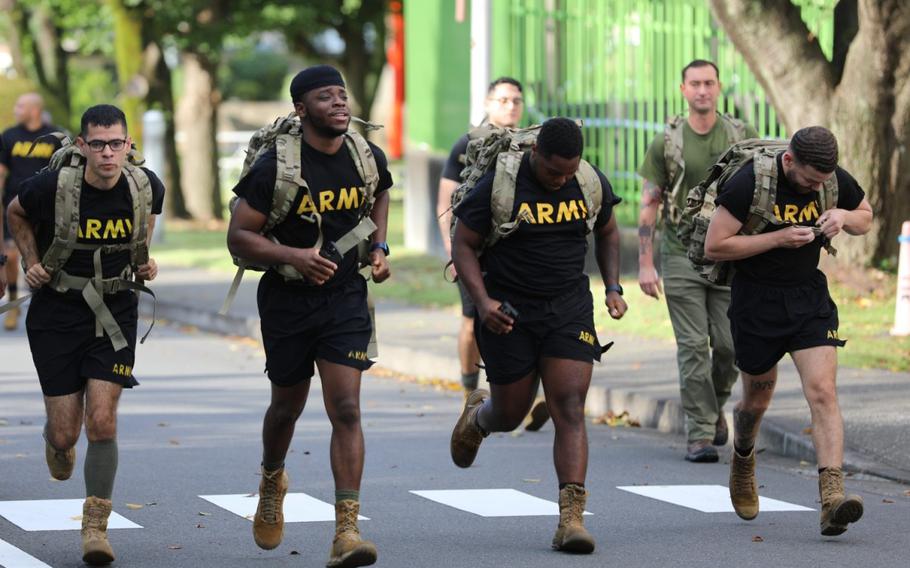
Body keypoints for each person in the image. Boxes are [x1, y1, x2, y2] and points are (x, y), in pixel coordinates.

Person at [227, 64, 393, 568]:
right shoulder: (275, 168)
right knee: (286, 408)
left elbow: (381, 190)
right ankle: (272, 477)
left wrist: (379, 246)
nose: (340, 103)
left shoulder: (365, 154)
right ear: (302, 109)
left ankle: (346, 531)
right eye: (326, 97)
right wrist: (294, 257)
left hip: (345, 296)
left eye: (342, 95)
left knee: (346, 408)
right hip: (287, 299)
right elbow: (239, 237)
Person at [449, 117, 626, 553]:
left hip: (568, 307)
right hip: (508, 311)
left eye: (569, 171)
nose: (561, 179)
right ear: (535, 156)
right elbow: (463, 243)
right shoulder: (500, 184)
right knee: (510, 413)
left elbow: (607, 230)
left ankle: (571, 520)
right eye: (553, 172)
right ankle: (480, 417)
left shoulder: (586, 181)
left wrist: (614, 287)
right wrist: (483, 302)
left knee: (569, 404)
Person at [6, 104, 164, 565]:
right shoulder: (51, 186)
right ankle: (57, 441)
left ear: (129, 144)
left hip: (114, 311)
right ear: (82, 145)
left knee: (103, 420)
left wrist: (145, 261)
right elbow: (14, 211)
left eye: (117, 143)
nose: (108, 153)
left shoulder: (145, 185)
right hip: (57, 312)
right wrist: (32, 262)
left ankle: (96, 527)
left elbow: (143, 232)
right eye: (98, 144)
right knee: (64, 433)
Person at [705, 126, 872, 536]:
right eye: (810, 180)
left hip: (807, 298)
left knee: (822, 390)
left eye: (823, 181)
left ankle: (832, 498)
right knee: (756, 401)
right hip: (756, 302)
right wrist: (778, 238)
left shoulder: (832, 180)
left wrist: (845, 216)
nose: (817, 187)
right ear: (789, 161)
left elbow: (866, 217)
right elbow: (716, 245)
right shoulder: (750, 183)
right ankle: (743, 456)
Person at [637, 60, 758, 462]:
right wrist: (645, 262)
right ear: (683, 89)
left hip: (728, 255)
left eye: (709, 83)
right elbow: (649, 203)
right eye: (695, 84)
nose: (702, 90)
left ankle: (714, 407)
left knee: (728, 346)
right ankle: (700, 434)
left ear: (719, 87)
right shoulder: (666, 142)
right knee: (692, 346)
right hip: (680, 254)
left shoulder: (741, 136)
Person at [436, 77, 524, 394]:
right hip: (472, 251)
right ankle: (469, 392)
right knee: (473, 322)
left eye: (516, 100)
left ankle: (520, 391)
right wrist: (453, 251)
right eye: (503, 100)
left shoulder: (530, 145)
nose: (510, 106)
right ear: (488, 104)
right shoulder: (468, 144)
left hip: (514, 252)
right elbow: (445, 200)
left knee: (521, 321)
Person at [0, 92, 64, 330]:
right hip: (13, 207)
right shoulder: (9, 136)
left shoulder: (55, 137)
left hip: (46, 209)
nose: (16, 109)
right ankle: (14, 303)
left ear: (35, 109)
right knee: (11, 255)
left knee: (42, 256)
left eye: (20, 105)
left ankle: (41, 302)